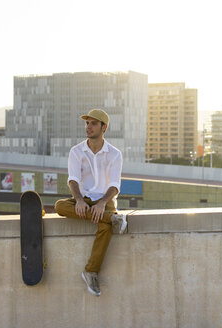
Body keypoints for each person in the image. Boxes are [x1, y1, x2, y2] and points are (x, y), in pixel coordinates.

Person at [54, 109, 126, 297]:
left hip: (106, 200)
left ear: (104, 127)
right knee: (59, 206)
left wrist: (102, 203)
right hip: (84, 199)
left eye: (93, 123)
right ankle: (113, 219)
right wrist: (78, 200)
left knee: (105, 227)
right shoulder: (76, 151)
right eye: (87, 123)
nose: (88, 127)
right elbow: (73, 179)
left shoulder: (115, 154)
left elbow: (114, 185)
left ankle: (91, 272)